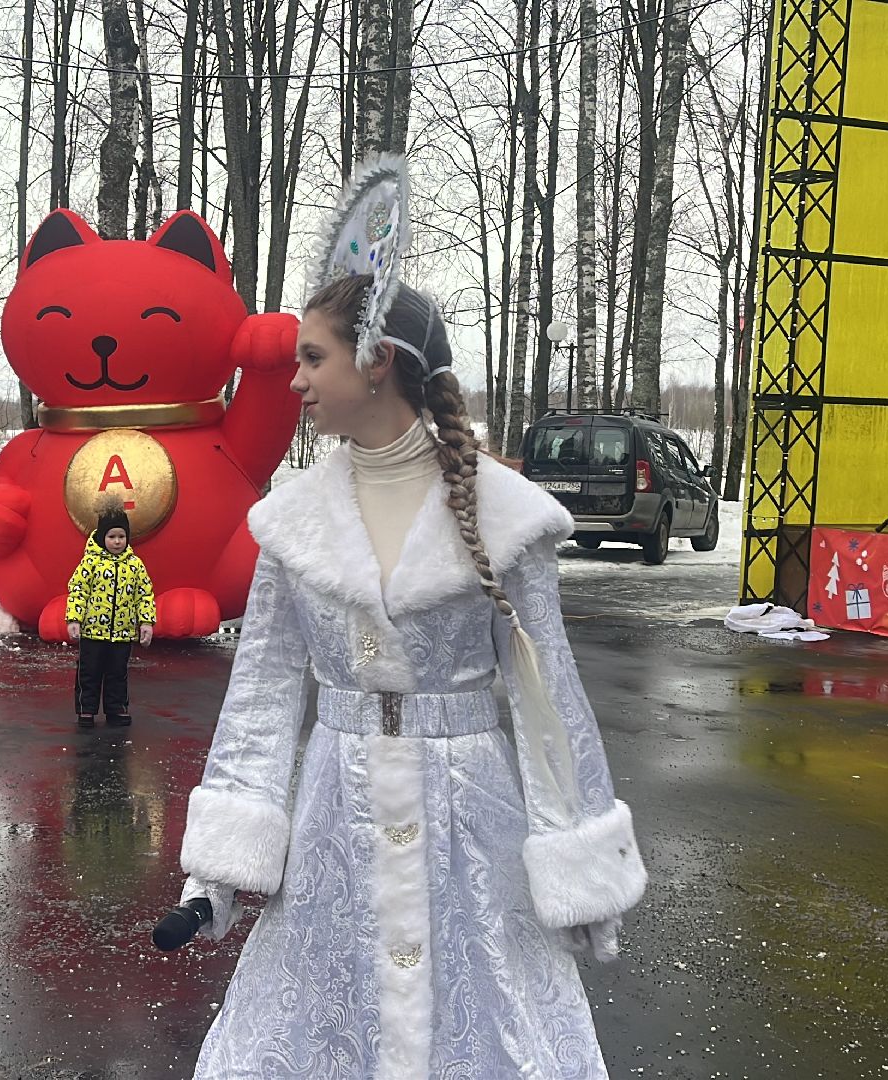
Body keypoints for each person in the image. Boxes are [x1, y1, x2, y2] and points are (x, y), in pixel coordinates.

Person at [171, 163, 645, 1078]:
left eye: (313, 358)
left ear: (377, 360)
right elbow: (264, 698)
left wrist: (580, 857)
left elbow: (550, 705)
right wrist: (222, 865)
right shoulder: (291, 523)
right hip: (332, 830)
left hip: (475, 834)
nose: (296, 379)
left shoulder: (507, 518)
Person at [64, 500, 155, 728]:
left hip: (122, 633)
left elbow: (144, 595)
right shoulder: (90, 563)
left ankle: (117, 708)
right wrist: (74, 618)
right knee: (90, 671)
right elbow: (78, 591)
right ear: (102, 537)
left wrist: (146, 622)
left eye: (121, 537)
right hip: (94, 631)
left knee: (117, 673)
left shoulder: (135, 565)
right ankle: (87, 709)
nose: (117, 542)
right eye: (112, 537)